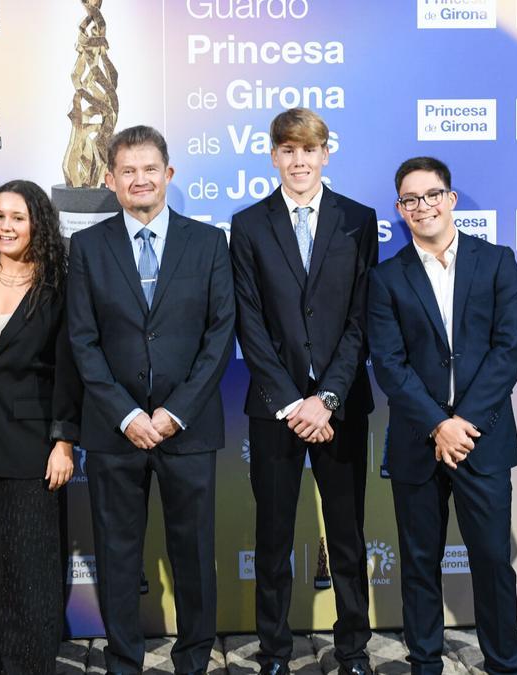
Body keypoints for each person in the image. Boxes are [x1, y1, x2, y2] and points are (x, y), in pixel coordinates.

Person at [66, 125, 234, 675]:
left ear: (169, 174)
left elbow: (219, 334)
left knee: (194, 554)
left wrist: (174, 412)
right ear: (111, 180)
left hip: (188, 427)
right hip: (116, 430)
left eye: (149, 169)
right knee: (116, 553)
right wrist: (129, 414)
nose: (140, 179)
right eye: (128, 171)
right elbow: (83, 340)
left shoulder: (209, 243)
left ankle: (193, 659)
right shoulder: (87, 248)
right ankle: (122, 660)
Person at [229, 107, 377, 675]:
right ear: (273, 156)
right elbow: (251, 322)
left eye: (308, 150)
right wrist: (293, 402)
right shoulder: (248, 224)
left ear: (325, 154)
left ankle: (354, 651)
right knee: (273, 536)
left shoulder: (357, 221)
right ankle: (274, 652)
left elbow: (360, 319)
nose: (299, 160)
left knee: (346, 533)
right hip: (275, 408)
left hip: (340, 408)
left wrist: (329, 398)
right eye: (288, 150)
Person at [367, 157, 517, 675]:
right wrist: (439, 424)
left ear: (450, 199)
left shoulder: (498, 261)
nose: (422, 206)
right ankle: (425, 662)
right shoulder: (387, 278)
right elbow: (389, 364)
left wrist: (464, 423)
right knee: (418, 562)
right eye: (410, 200)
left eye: (432, 195)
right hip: (419, 440)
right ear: (400, 210)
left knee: (493, 562)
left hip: (484, 437)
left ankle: (504, 663)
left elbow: (510, 348)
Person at [0, 179, 81, 674]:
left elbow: (70, 367)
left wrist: (64, 440)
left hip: (32, 448)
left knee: (29, 572)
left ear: (38, 224)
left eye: (18, 217)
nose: (6, 226)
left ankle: (28, 666)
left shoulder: (58, 283)